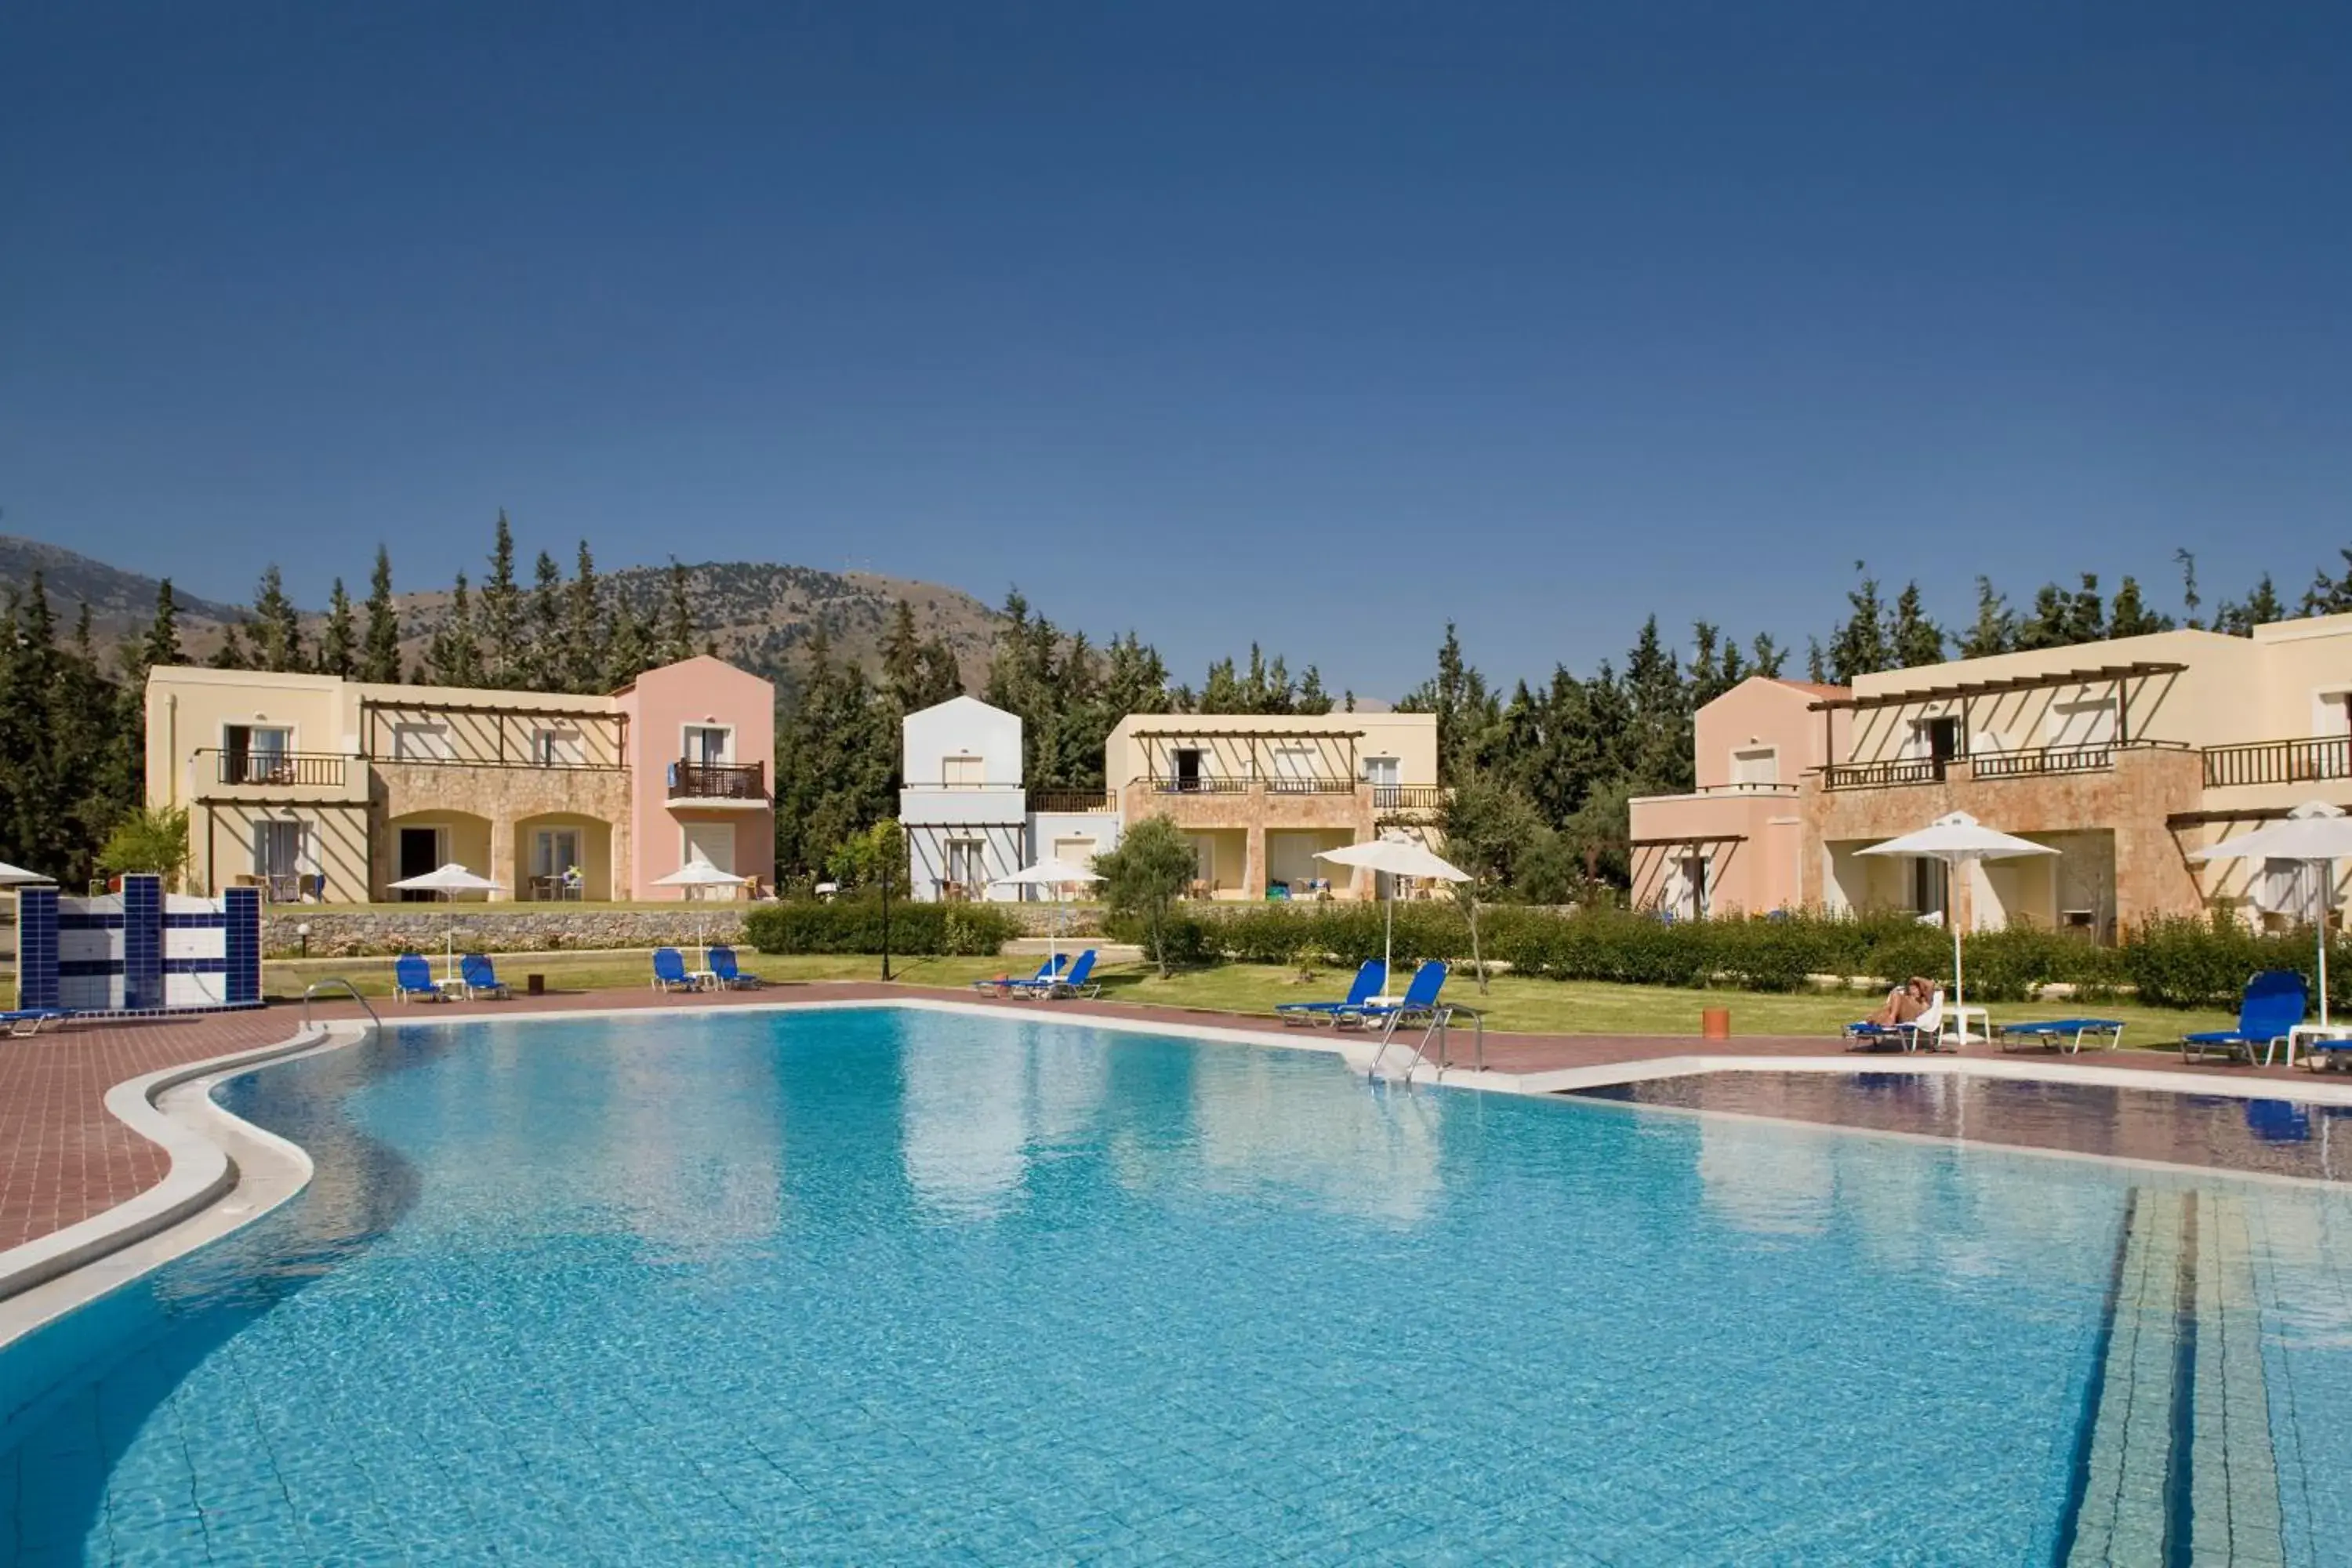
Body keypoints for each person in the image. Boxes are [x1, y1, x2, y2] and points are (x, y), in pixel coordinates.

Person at [1864, 975, 1936, 1029]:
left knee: (1895, 994)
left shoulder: (1925, 1001)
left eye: (1917, 987)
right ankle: (1875, 1021)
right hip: (1898, 1016)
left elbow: (1931, 984)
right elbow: (1888, 1006)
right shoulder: (1904, 998)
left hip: (1910, 1018)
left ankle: (1890, 1018)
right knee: (1885, 1011)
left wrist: (1916, 978)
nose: (1914, 989)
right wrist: (1877, 1013)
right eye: (1912, 987)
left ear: (1922, 990)